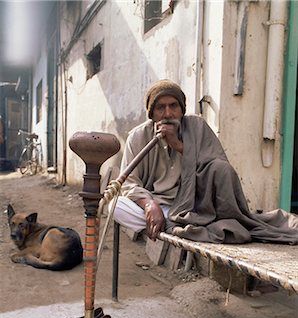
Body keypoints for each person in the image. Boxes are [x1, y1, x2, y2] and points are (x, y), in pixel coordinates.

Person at [113, 79, 298, 245]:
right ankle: (161, 222)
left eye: (173, 106)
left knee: (222, 169)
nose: (168, 113)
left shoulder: (197, 127)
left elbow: (216, 166)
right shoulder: (138, 137)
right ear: (152, 113)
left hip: (196, 209)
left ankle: (168, 226)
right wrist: (149, 205)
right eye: (161, 108)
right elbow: (129, 183)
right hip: (158, 205)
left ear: (182, 109)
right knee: (115, 206)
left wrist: (179, 146)